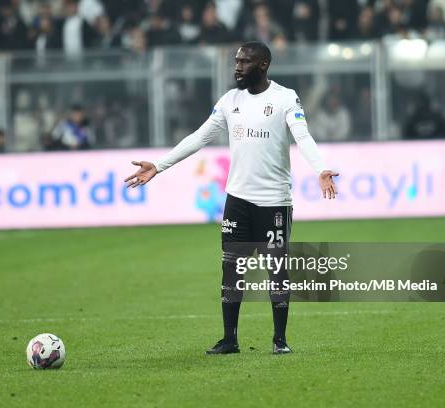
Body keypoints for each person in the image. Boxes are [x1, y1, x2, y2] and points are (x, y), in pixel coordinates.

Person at [124, 41, 338, 355]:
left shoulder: (284, 98)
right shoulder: (229, 101)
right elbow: (199, 137)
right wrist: (158, 165)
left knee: (276, 269)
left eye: (244, 62)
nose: (237, 67)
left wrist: (320, 168)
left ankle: (280, 341)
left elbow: (302, 136)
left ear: (263, 65)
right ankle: (229, 340)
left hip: (274, 201)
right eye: (236, 61)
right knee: (231, 268)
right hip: (237, 199)